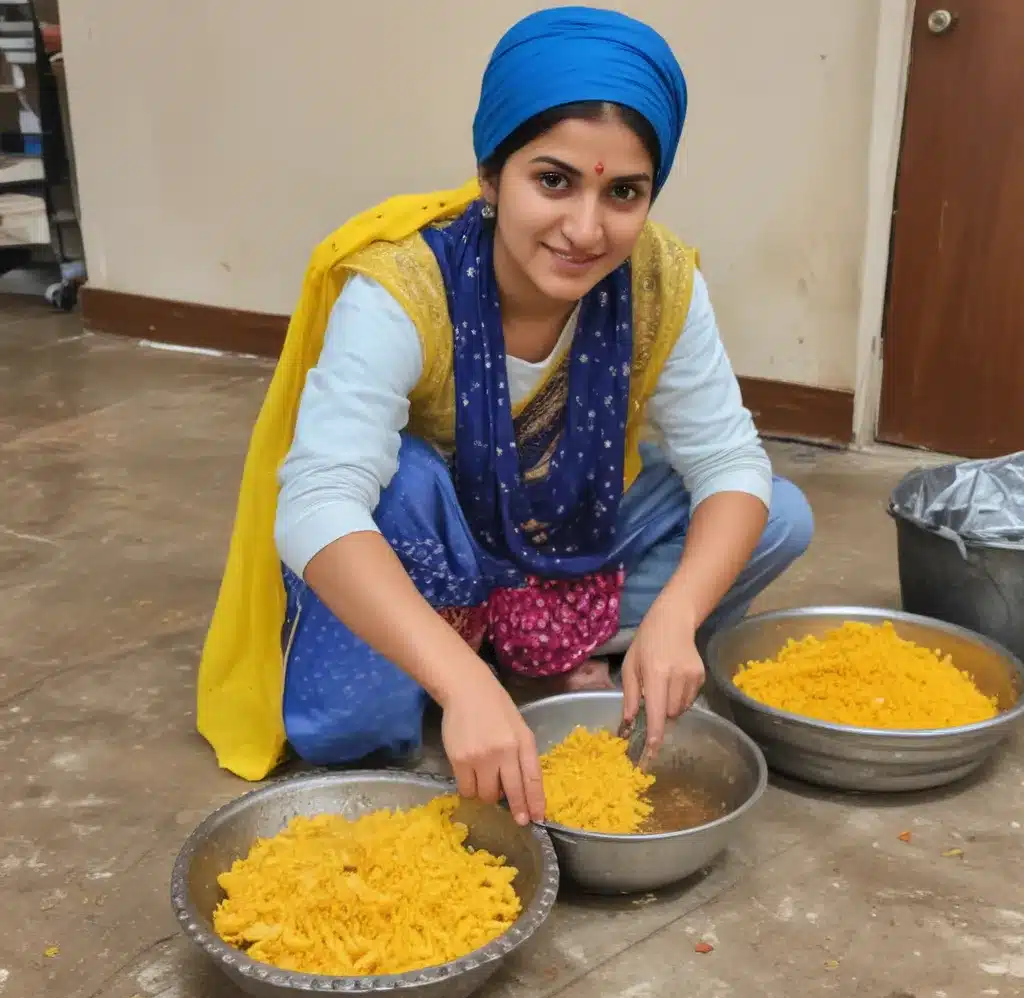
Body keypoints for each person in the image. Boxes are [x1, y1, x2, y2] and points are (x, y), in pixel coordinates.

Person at [196, 7, 813, 824]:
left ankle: (543, 643)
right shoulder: (402, 291)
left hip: (562, 531)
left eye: (623, 192)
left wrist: (677, 618)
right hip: (434, 549)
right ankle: (478, 660)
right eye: (552, 180)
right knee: (347, 714)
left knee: (777, 516)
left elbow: (730, 460)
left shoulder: (662, 280)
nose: (585, 230)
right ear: (491, 177)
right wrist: (462, 683)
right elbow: (317, 502)